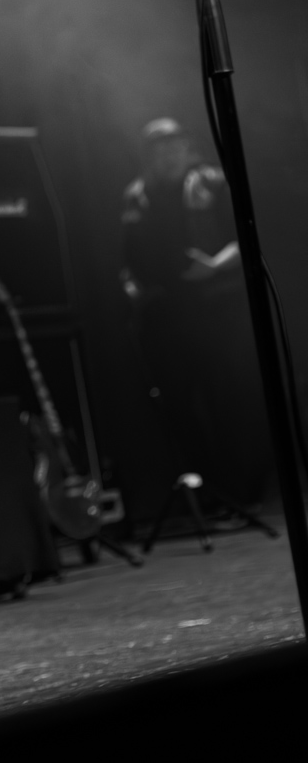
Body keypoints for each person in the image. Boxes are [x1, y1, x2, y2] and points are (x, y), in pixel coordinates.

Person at [121, 117, 270, 507]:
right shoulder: (136, 196)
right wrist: (131, 285)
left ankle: (243, 492)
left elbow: (246, 238)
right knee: (180, 407)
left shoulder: (214, 183)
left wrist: (216, 265)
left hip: (215, 309)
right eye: (159, 149)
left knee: (229, 399)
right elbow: (127, 256)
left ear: (187, 148)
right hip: (165, 316)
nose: (168, 155)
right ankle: (208, 494)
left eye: (174, 146)